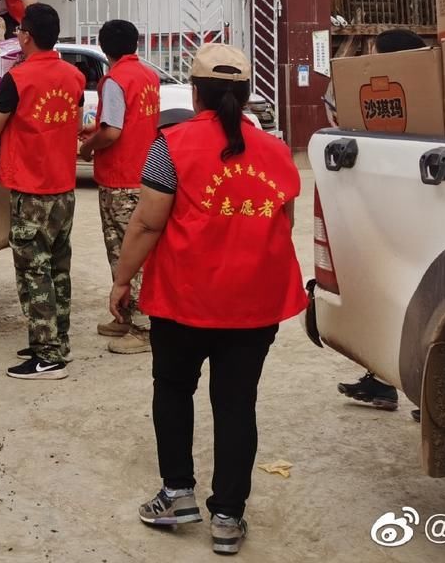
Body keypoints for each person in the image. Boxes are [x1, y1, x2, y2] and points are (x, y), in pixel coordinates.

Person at [109, 43, 305, 556]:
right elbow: (284, 223)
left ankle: (177, 495)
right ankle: (227, 517)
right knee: (237, 403)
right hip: (255, 304)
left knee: (174, 389)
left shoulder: (169, 144)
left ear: (195, 93)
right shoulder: (277, 151)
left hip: (184, 300)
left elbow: (149, 221)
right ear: (243, 96)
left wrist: (122, 279)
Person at [0, 3, 85, 381]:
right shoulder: (75, 76)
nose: (17, 36)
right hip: (64, 189)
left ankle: (47, 358)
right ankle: (55, 340)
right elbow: (76, 122)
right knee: (58, 267)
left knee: (34, 273)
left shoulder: (18, 78)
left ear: (28, 35)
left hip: (32, 192)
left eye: (19, 31)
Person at [335, 27, 426, 420]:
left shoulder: (392, 87)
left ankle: (426, 398)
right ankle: (383, 381)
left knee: (404, 301)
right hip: (413, 203)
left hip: (404, 209)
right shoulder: (427, 83)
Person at [79, 19, 161, 355]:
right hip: (144, 173)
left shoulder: (114, 80)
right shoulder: (147, 75)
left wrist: (87, 147)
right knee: (125, 253)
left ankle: (144, 328)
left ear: (103, 47)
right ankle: (125, 315)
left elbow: (112, 132)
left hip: (122, 179)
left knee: (132, 255)